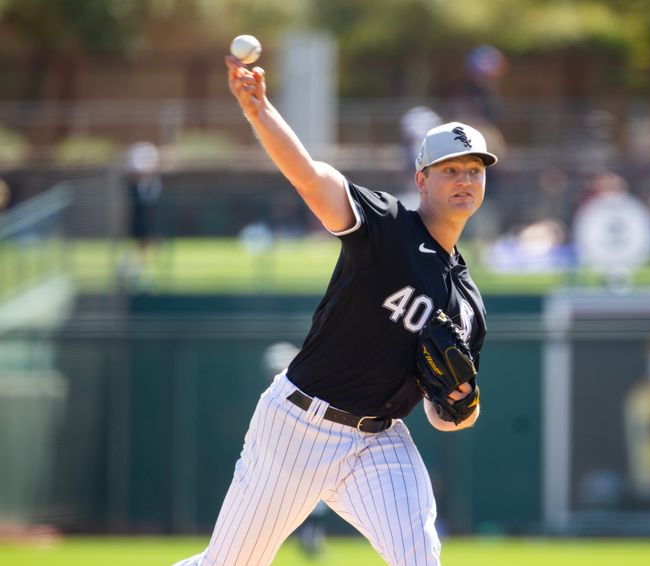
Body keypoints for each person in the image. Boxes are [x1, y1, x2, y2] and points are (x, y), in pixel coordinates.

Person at [173, 54, 497, 566]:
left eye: (474, 171)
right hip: (299, 425)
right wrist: (259, 111)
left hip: (380, 442)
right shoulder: (388, 230)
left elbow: (443, 416)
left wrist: (462, 404)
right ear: (422, 181)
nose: (464, 180)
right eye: (450, 170)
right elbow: (310, 178)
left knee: (420, 558)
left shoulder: (469, 304)